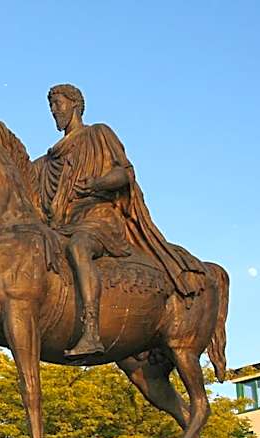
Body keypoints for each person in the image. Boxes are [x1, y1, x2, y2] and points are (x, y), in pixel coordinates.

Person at [33, 83, 204, 357]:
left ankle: (91, 331)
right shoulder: (48, 158)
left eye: (58, 103)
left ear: (75, 104)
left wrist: (96, 184)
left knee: (78, 248)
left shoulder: (98, 133)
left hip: (98, 219)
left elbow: (124, 173)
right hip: (61, 224)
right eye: (50, 105)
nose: (54, 110)